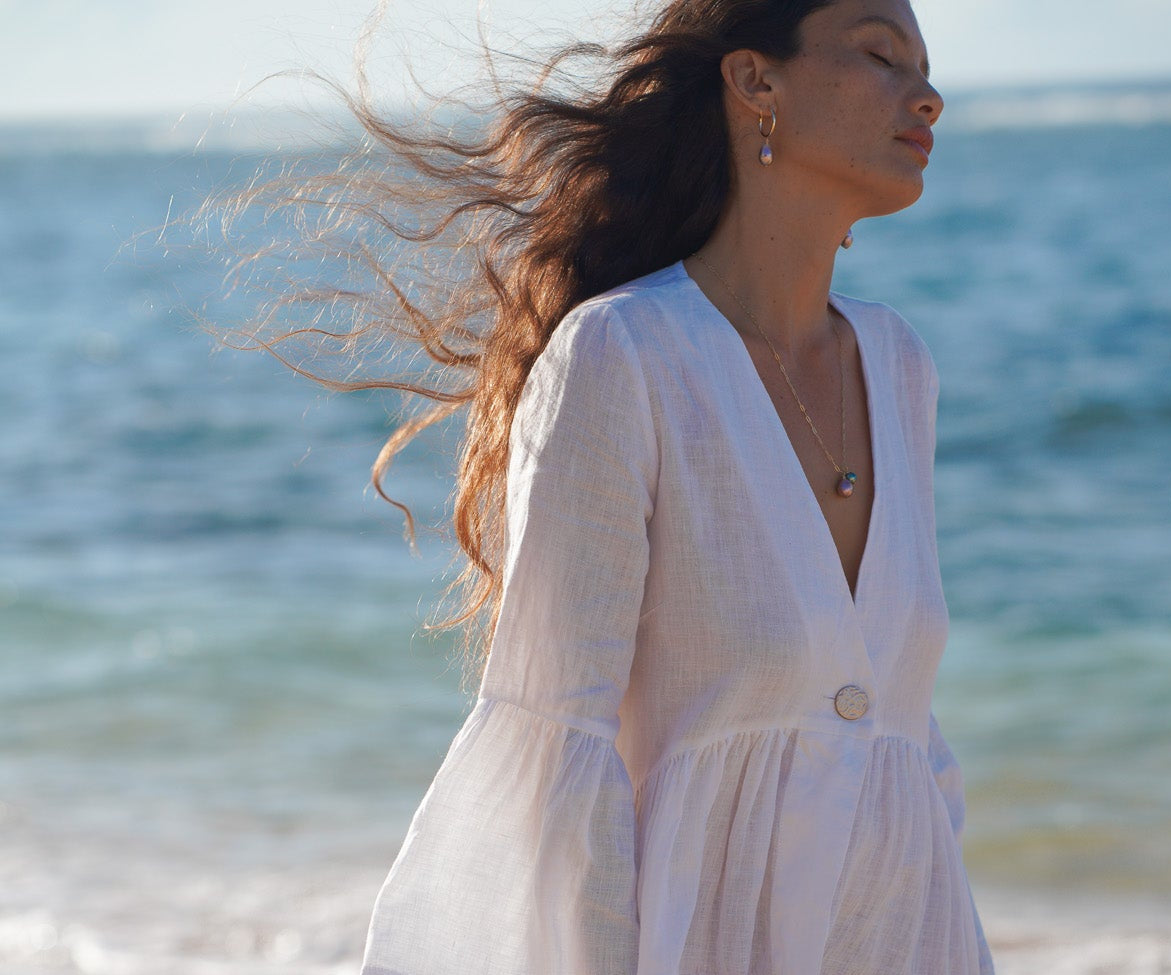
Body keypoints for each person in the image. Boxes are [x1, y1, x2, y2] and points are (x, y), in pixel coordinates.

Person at [217, 0, 989, 970]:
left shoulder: (900, 367)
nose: (928, 97)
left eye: (926, 68)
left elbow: (908, 753)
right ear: (755, 83)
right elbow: (559, 765)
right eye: (883, 55)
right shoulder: (623, 357)